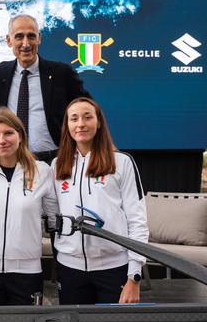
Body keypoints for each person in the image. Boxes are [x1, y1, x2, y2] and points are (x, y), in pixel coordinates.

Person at [52, 97, 148, 304]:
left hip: (114, 268)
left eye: (88, 117)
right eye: (74, 118)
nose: (80, 124)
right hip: (69, 269)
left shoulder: (122, 162)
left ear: (99, 122)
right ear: (67, 126)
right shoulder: (57, 165)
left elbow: (137, 220)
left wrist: (134, 275)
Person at [0, 107, 58, 306]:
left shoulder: (42, 171)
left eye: (8, 133)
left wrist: (24, 229)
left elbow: (53, 217)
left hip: (27, 271)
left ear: (20, 135)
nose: (2, 140)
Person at [0, 14, 90, 165]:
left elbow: (89, 108)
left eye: (31, 36)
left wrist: (102, 145)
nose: (26, 44)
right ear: (9, 40)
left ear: (39, 38)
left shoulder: (62, 73)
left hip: (55, 160)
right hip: (12, 160)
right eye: (19, 36)